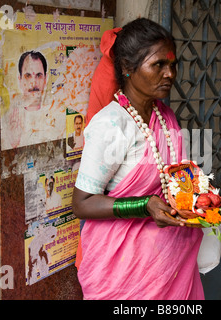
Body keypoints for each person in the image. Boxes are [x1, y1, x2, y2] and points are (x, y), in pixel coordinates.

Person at [72, 18, 204, 300]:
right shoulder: (111, 124)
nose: (170, 74)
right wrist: (144, 205)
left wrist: (196, 197)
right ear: (128, 69)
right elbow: (82, 204)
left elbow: (174, 175)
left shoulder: (164, 117)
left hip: (170, 265)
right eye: (159, 65)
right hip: (122, 272)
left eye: (173, 65)